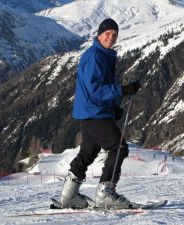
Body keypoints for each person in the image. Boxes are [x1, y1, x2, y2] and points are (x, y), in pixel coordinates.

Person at [58, 18, 141, 209]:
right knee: (119, 148)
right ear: (99, 35)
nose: (111, 38)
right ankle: (105, 193)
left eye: (114, 35)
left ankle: (69, 195)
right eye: (107, 34)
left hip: (94, 110)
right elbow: (95, 89)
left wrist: (113, 109)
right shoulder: (95, 55)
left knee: (89, 151)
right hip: (93, 111)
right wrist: (123, 90)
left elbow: (98, 88)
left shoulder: (104, 55)